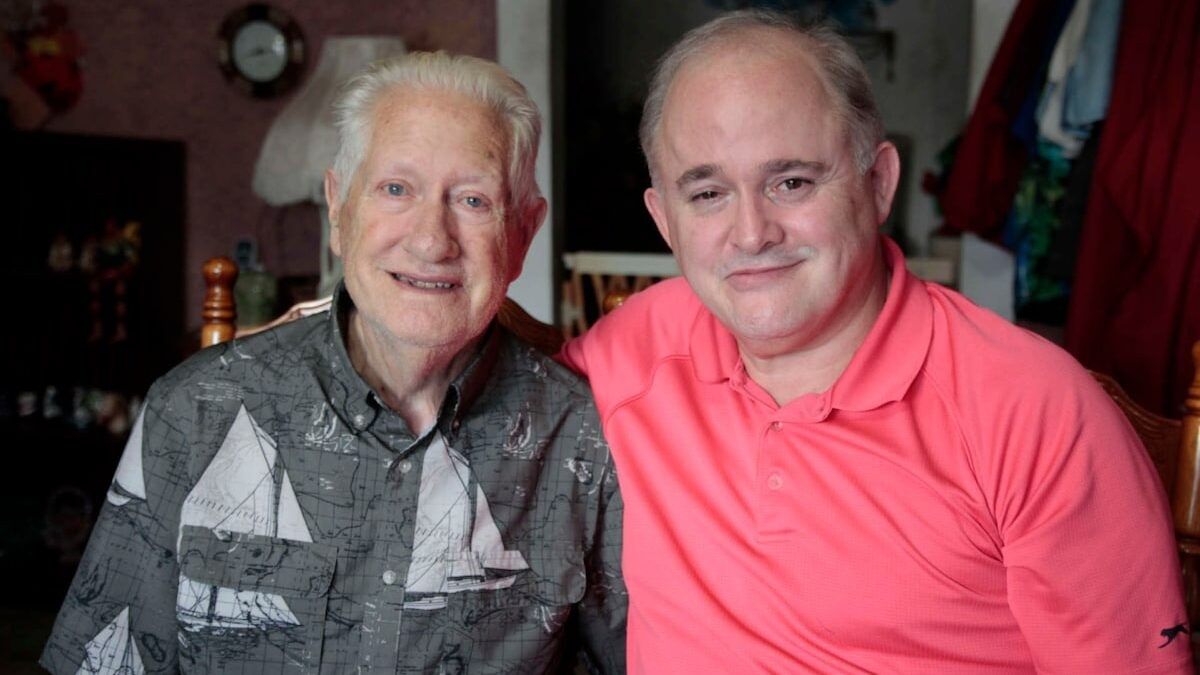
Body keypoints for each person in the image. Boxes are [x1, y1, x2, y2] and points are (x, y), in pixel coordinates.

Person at [560, 10, 1192, 673]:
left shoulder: (1036, 411)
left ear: (879, 182)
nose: (751, 233)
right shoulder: (636, 348)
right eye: (709, 193)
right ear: (665, 220)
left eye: (792, 182)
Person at [42, 52, 625, 674]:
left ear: (524, 232)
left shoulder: (589, 439)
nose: (431, 240)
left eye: (473, 200)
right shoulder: (195, 411)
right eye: (396, 189)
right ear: (338, 209)